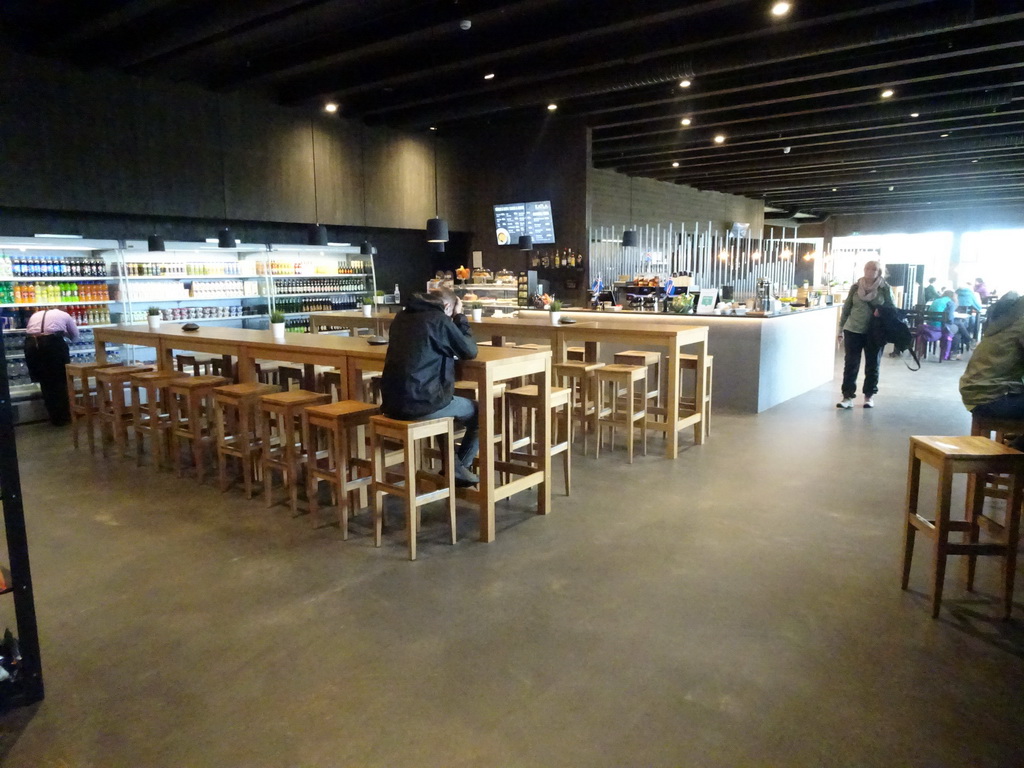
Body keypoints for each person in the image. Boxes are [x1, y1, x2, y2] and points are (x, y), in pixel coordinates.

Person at [379, 287, 480, 487]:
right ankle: (460, 467)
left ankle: (454, 466)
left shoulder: (401, 316)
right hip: (421, 402)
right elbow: (469, 350)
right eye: (452, 311)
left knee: (445, 408)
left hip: (391, 403)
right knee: (481, 412)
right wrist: (460, 317)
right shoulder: (439, 319)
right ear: (448, 306)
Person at [837, 260, 894, 409]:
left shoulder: (884, 288)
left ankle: (869, 396)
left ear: (879, 272)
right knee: (851, 364)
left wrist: (880, 311)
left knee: (873, 364)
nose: (870, 271)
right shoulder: (855, 287)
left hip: (874, 332)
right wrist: (840, 329)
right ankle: (847, 396)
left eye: (874, 269)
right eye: (867, 268)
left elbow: (892, 309)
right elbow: (846, 308)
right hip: (853, 329)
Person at [960, 292, 1024, 424]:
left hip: (976, 392)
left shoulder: (1012, 315)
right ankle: (1017, 444)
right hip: (991, 398)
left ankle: (1016, 441)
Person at [23, 307, 79, 425]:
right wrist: (66, 336)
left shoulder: (36, 314)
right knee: (60, 380)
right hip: (52, 344)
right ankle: (63, 417)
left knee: (45, 382)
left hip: (31, 345)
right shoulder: (65, 315)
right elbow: (75, 336)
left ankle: (53, 416)